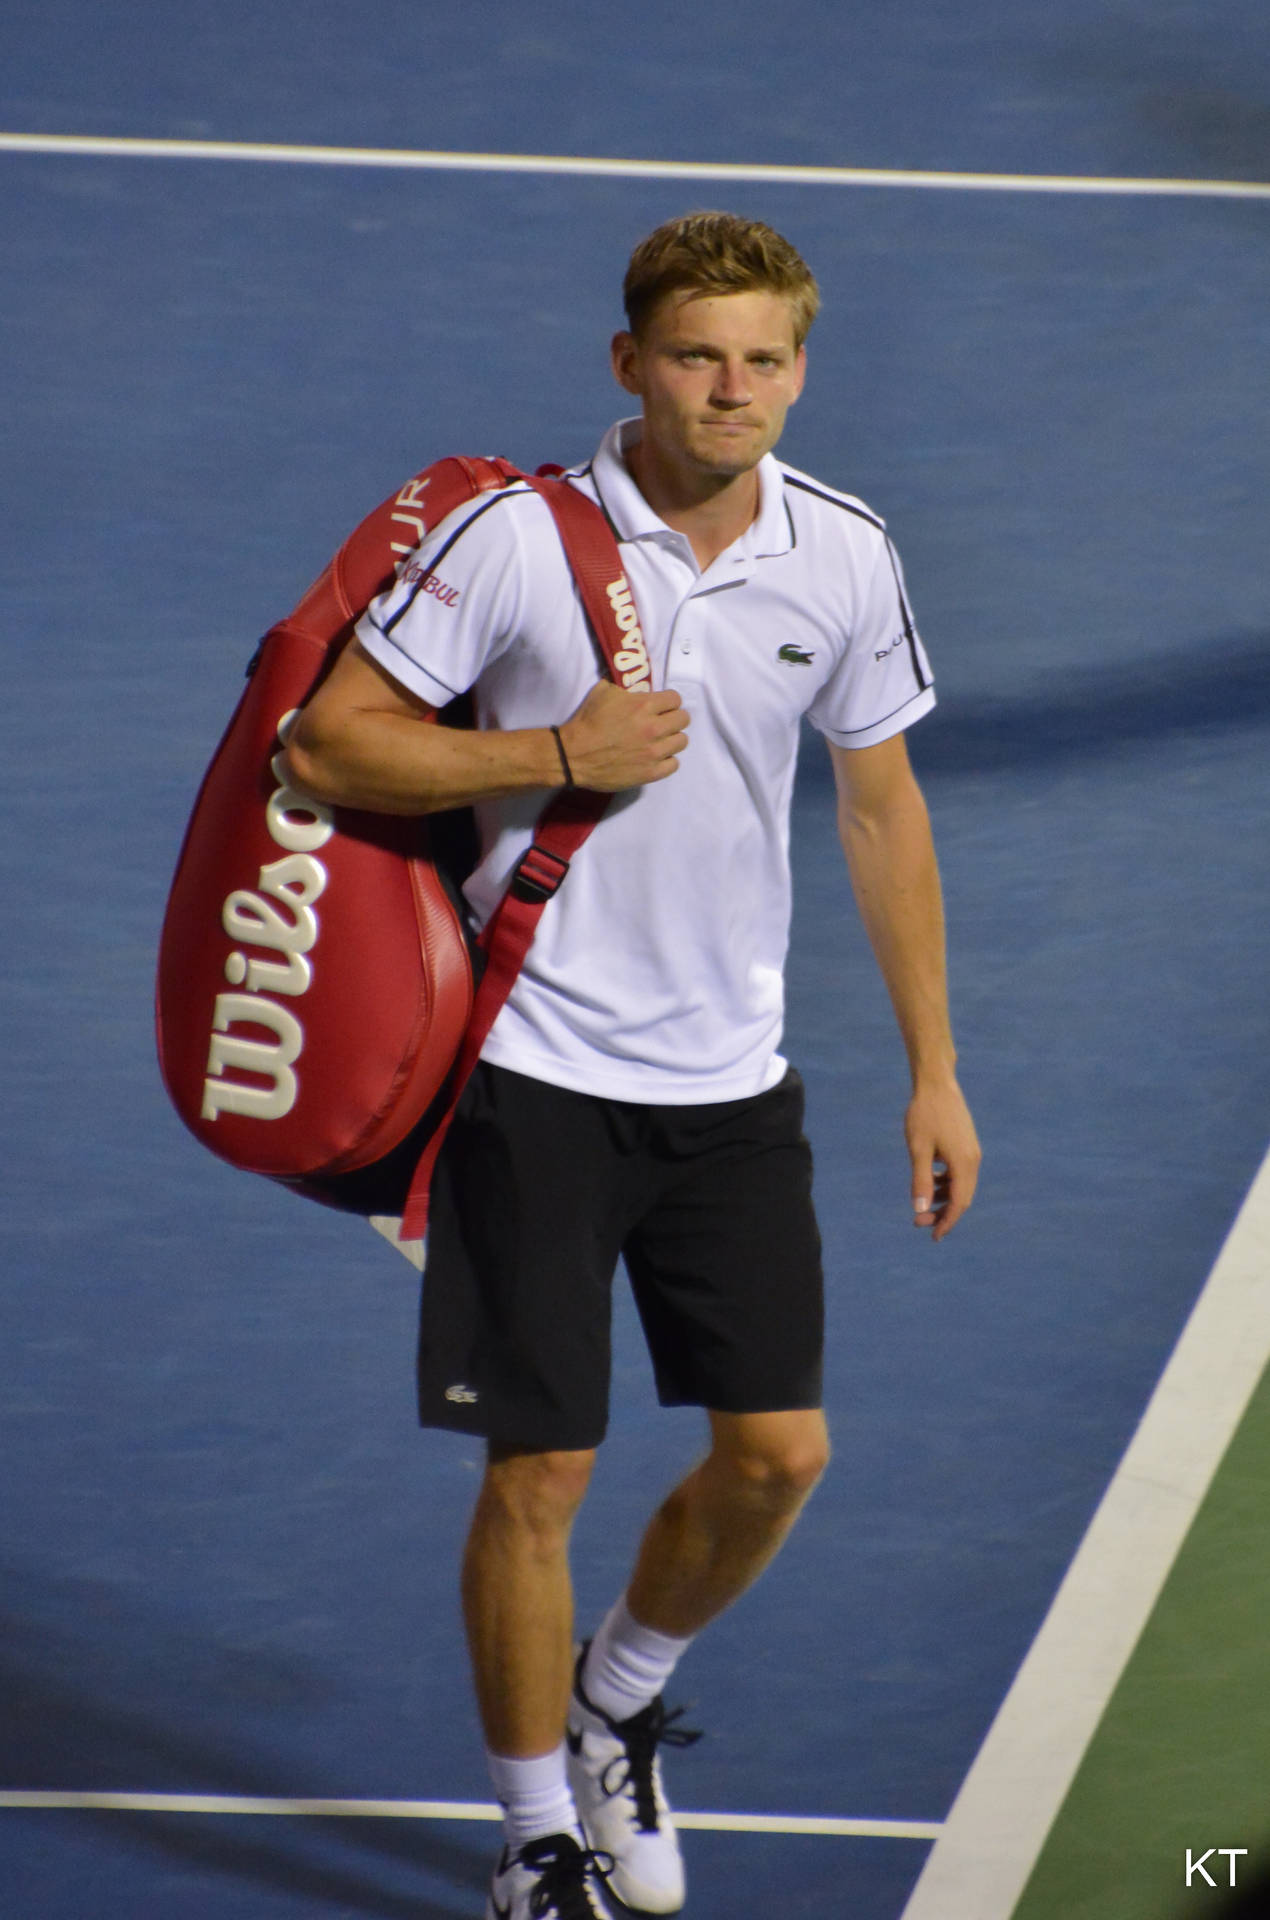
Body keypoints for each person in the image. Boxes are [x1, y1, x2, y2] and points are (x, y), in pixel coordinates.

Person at [286, 211, 981, 1920]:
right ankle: (531, 1833)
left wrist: (934, 1069)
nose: (729, 390)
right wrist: (548, 750)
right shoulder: (518, 543)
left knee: (778, 1456)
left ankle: (612, 1707)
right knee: (540, 1475)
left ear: (799, 372)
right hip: (529, 1076)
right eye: (694, 356)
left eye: (761, 360)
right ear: (628, 366)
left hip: (731, 1087)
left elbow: (879, 809)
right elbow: (329, 740)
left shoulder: (840, 553)